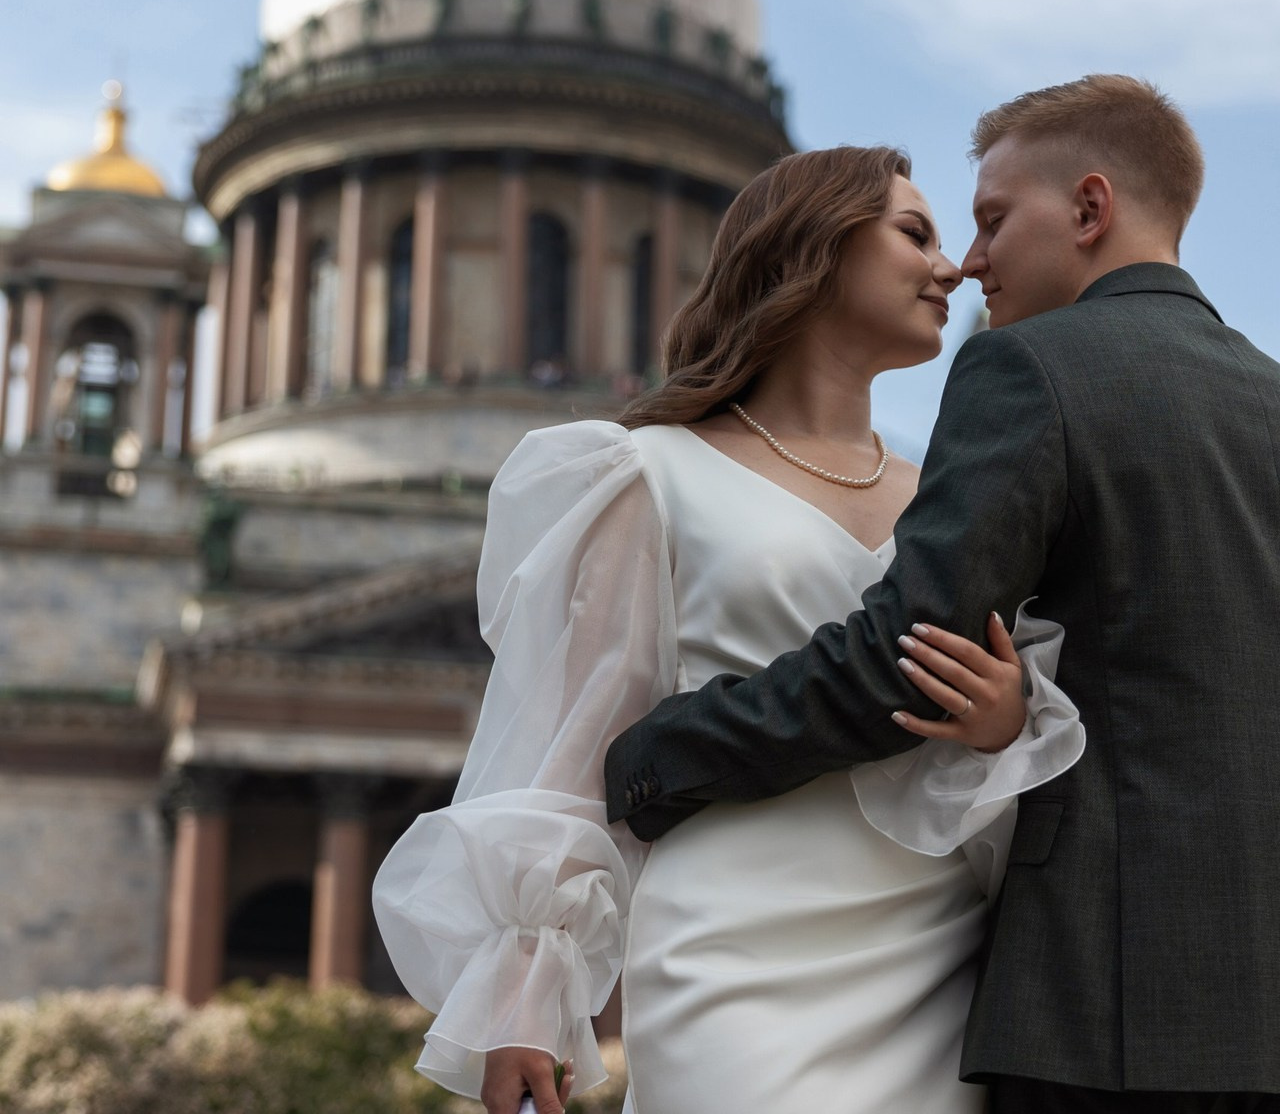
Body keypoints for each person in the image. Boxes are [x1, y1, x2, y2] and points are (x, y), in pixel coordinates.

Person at [605, 76, 1280, 1112]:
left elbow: (902, 652)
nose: (967, 263)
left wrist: (657, 754)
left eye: (989, 221)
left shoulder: (1028, 369)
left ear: (1088, 210)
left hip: (1090, 998)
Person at [373, 145, 1084, 1114]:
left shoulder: (950, 499)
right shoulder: (644, 472)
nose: (951, 265)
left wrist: (1004, 721)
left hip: (929, 950)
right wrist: (523, 997)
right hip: (728, 945)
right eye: (912, 234)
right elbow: (575, 746)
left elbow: (982, 736)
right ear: (814, 247)